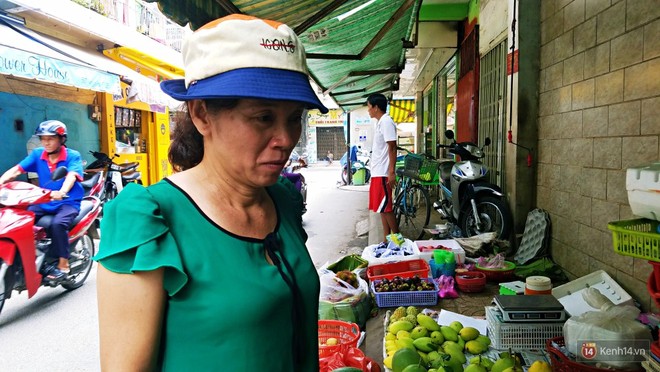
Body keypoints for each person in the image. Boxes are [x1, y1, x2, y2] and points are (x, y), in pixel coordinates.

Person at [94, 14, 328, 371]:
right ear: (202, 114)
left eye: (294, 117)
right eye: (263, 117)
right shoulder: (149, 220)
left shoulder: (283, 199)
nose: (285, 140)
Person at [0, 120, 84, 280]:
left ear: (61, 139)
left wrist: (62, 191)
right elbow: (17, 170)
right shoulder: (38, 154)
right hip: (44, 201)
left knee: (58, 224)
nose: (46, 142)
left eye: (50, 138)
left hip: (67, 201)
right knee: (21, 220)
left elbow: (71, 176)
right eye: (43, 138)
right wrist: (1, 181)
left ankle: (63, 263)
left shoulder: (73, 156)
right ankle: (31, 257)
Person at [367, 93, 399, 245]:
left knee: (387, 208)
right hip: (377, 172)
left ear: (376, 107)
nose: (368, 110)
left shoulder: (386, 121)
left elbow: (392, 147)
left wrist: (391, 172)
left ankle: (398, 239)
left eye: (369, 106)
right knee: (381, 207)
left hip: (383, 173)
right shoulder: (380, 122)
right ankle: (386, 240)